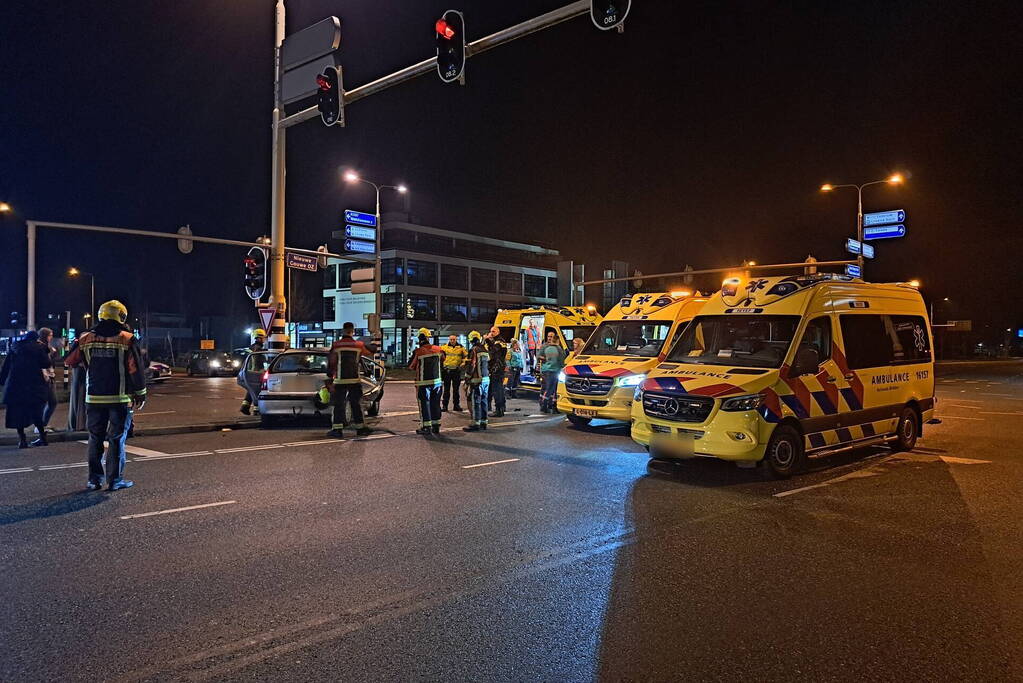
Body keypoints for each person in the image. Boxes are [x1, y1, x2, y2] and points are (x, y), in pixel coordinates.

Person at [64, 301, 147, 490]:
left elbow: (70, 360)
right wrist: (141, 393)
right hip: (119, 399)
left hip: (93, 398)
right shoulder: (127, 338)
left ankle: (94, 480)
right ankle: (115, 481)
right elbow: (135, 369)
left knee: (95, 438)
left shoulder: (85, 338)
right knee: (117, 439)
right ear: (122, 316)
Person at [0, 330, 52, 448]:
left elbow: (7, 366)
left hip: (16, 386)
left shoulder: (15, 348)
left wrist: (2, 381)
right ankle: (43, 438)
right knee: (36, 412)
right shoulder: (38, 348)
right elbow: (46, 363)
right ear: (35, 338)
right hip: (33, 385)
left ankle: (22, 440)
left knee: (18, 413)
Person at [326, 321, 374, 438]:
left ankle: (337, 430)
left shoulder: (336, 345)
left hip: (340, 380)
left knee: (339, 404)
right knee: (356, 404)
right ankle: (360, 428)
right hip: (354, 380)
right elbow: (370, 351)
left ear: (343, 330)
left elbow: (332, 362)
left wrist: (330, 375)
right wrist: (374, 343)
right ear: (352, 331)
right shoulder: (358, 345)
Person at [408, 328, 444, 435]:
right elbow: (443, 359)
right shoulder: (439, 349)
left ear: (419, 339)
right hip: (437, 382)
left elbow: (411, 366)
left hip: (423, 383)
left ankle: (426, 427)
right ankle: (436, 425)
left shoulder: (418, 351)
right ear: (429, 338)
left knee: (424, 404)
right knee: (435, 403)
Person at [462, 331, 490, 432]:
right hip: (486, 379)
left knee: (476, 402)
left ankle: (475, 423)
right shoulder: (485, 350)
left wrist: (467, 378)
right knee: (484, 401)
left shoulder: (473, 350)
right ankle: (484, 422)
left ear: (470, 340)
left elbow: (472, 365)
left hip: (477, 380)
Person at [537, 330, 566, 414]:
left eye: (551, 336)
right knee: (552, 388)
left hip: (546, 369)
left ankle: (549, 404)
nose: (549, 338)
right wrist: (563, 367)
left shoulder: (547, 348)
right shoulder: (557, 348)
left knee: (549, 388)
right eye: (549, 336)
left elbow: (542, 356)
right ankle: (547, 405)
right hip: (554, 370)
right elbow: (561, 359)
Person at [36, 327, 59, 431]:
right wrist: (46, 376)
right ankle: (40, 426)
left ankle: (42, 425)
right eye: (50, 335)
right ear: (45, 336)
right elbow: (42, 364)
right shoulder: (40, 347)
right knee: (48, 402)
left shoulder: (47, 346)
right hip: (46, 378)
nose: (51, 337)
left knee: (51, 402)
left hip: (50, 376)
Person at [239, 328, 267, 415]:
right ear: (259, 338)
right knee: (257, 391)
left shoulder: (252, 347)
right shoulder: (257, 349)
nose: (264, 340)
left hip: (247, 372)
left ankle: (245, 407)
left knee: (251, 390)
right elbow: (257, 362)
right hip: (254, 373)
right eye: (263, 338)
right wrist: (261, 371)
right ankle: (256, 410)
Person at [439, 334, 466, 412]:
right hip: (447, 371)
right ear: (449, 339)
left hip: (456, 370)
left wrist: (462, 364)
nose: (452, 341)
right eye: (451, 339)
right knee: (446, 390)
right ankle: (445, 406)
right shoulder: (444, 347)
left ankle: (456, 405)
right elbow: (440, 356)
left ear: (456, 339)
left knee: (456, 390)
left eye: (453, 339)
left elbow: (466, 357)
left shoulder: (461, 348)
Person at [486, 326, 508, 417]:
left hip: (497, 369)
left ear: (498, 332)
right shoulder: (497, 341)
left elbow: (494, 351)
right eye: (491, 331)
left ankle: (499, 410)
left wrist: (487, 340)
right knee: (497, 389)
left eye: (493, 331)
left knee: (497, 390)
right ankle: (501, 407)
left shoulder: (499, 341)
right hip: (497, 368)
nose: (491, 333)